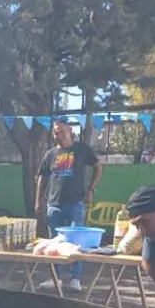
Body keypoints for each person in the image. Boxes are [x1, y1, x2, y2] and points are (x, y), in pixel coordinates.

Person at [35, 120, 103, 292]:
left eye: (62, 131)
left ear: (70, 130)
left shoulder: (81, 149)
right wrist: (38, 200)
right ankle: (55, 278)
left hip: (76, 204)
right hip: (54, 204)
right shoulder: (50, 154)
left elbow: (98, 167)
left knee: (75, 243)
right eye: (56, 132)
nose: (59, 135)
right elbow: (42, 178)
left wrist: (91, 190)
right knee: (53, 245)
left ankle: (75, 279)